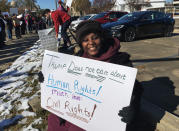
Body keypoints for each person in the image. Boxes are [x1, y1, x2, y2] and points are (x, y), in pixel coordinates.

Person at [39, 20, 143, 131]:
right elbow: (64, 82)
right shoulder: (78, 58)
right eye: (85, 40)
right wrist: (46, 77)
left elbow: (135, 90)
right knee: (53, 120)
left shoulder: (120, 61)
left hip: (99, 116)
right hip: (76, 108)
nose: (91, 43)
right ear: (80, 43)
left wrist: (133, 108)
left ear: (102, 38)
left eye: (95, 38)